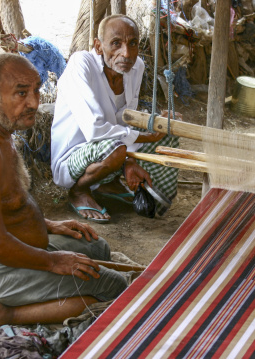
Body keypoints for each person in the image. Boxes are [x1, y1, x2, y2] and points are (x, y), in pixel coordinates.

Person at [0, 53, 128, 328]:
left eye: (36, 89)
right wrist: (51, 262)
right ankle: (2, 314)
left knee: (97, 248)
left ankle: (27, 296)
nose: (34, 102)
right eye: (21, 93)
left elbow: (2, 207)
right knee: (113, 286)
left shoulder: (0, 131)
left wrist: (49, 225)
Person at [51, 14, 179, 223]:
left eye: (133, 43)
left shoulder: (136, 67)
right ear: (99, 46)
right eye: (116, 43)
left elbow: (125, 117)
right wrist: (146, 137)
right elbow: (95, 130)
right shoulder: (80, 64)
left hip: (113, 148)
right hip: (74, 155)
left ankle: (106, 184)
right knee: (117, 148)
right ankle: (79, 191)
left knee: (168, 132)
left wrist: (153, 125)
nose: (126, 53)